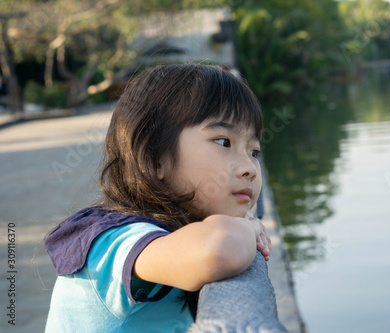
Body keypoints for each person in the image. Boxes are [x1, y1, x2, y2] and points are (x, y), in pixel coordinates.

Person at [44, 64, 271, 332]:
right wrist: (249, 225)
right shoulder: (115, 240)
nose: (248, 167)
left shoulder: (177, 234)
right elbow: (222, 249)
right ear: (155, 159)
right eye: (223, 142)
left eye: (254, 152)